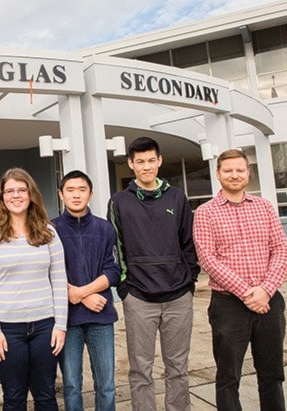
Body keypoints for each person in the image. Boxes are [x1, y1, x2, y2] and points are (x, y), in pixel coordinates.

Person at [107, 137, 200, 411]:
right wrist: (125, 288)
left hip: (178, 297)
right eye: (140, 162)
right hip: (139, 298)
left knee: (178, 368)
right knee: (140, 371)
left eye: (151, 160)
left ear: (159, 161)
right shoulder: (119, 202)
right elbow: (117, 247)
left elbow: (189, 244)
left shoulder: (177, 197)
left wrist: (189, 282)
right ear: (131, 164)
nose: (146, 166)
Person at [193, 149, 287, 410]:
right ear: (218, 174)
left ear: (248, 173)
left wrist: (266, 291)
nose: (234, 175)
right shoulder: (205, 213)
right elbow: (208, 259)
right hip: (228, 306)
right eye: (228, 170)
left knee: (272, 375)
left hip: (269, 304)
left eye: (239, 170)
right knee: (228, 377)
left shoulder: (265, 207)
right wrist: (249, 293)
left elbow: (280, 249)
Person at [0, 167, 68, 410]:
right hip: (7, 331)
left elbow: (59, 281)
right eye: (9, 191)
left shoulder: (49, 233)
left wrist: (60, 325)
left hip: (45, 327)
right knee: (14, 397)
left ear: (31, 194)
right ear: (2, 198)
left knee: (46, 396)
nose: (15, 195)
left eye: (21, 190)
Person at [52, 170, 120, 411]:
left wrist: (82, 293)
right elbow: (48, 273)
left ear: (90, 194)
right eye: (70, 190)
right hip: (67, 320)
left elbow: (113, 270)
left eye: (82, 190)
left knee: (107, 384)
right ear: (61, 194)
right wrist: (78, 296)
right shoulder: (51, 230)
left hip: (101, 317)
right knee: (71, 384)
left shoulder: (104, 229)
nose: (76, 195)